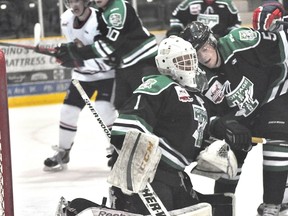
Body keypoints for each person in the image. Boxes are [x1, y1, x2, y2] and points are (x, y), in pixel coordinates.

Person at [108, 36, 239, 216]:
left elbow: (194, 138)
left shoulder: (198, 99)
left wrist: (213, 151)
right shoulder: (160, 84)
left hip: (177, 177)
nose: (190, 65)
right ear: (165, 64)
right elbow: (130, 123)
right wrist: (125, 148)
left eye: (191, 60)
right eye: (182, 61)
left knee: (218, 207)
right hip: (151, 175)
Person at [180, 21, 288, 215]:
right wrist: (224, 124)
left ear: (213, 41)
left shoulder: (239, 41)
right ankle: (222, 208)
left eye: (204, 49)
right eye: (197, 54)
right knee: (231, 149)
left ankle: (272, 205)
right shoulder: (200, 77)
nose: (203, 57)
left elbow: (280, 42)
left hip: (273, 94)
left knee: (277, 137)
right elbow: (207, 111)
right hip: (244, 113)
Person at [43, 0, 117, 171]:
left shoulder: (100, 19)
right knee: (67, 111)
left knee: (104, 109)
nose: (72, 5)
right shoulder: (66, 18)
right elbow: (73, 46)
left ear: (85, 1)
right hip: (82, 76)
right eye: (69, 1)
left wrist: (75, 56)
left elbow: (103, 51)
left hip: (107, 75)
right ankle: (63, 152)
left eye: (76, 0)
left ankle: (117, 151)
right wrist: (63, 53)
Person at [252, 1, 288, 215]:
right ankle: (277, 199)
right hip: (275, 99)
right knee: (278, 136)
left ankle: (277, 200)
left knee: (279, 136)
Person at [166, 0, 241, 38]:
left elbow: (236, 23)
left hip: (221, 42)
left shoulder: (227, 3)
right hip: (194, 43)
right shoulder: (190, 2)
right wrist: (175, 32)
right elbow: (176, 18)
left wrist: (227, 38)